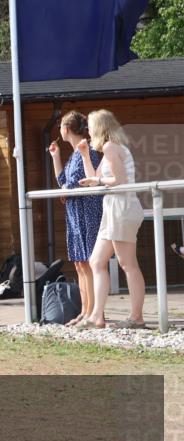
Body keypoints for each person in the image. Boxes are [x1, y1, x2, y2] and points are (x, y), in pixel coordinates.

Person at [76, 110, 146, 329]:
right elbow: (95, 179)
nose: (87, 130)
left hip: (122, 208)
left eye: (89, 126)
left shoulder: (111, 147)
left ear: (99, 127)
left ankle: (136, 318)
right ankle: (97, 316)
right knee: (97, 261)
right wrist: (85, 154)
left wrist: (98, 182)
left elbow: (118, 180)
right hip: (113, 209)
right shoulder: (107, 151)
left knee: (128, 264)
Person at [47, 111, 103, 327]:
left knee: (89, 263)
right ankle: (84, 310)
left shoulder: (85, 150)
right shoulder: (72, 155)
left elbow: (77, 184)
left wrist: (65, 190)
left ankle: (93, 312)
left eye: (61, 125)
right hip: (74, 213)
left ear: (67, 129)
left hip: (87, 212)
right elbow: (64, 181)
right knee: (80, 264)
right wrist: (56, 157)